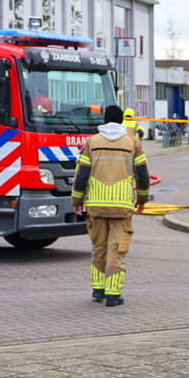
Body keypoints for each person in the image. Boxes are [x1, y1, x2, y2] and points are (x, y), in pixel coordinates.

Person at [72, 105, 149, 307]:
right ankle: (113, 294)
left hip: (96, 205)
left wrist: (76, 201)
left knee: (99, 247)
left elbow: (81, 176)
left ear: (105, 120)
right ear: (122, 120)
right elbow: (142, 175)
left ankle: (98, 290)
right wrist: (142, 200)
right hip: (121, 205)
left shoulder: (92, 142)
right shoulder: (133, 143)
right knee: (117, 249)